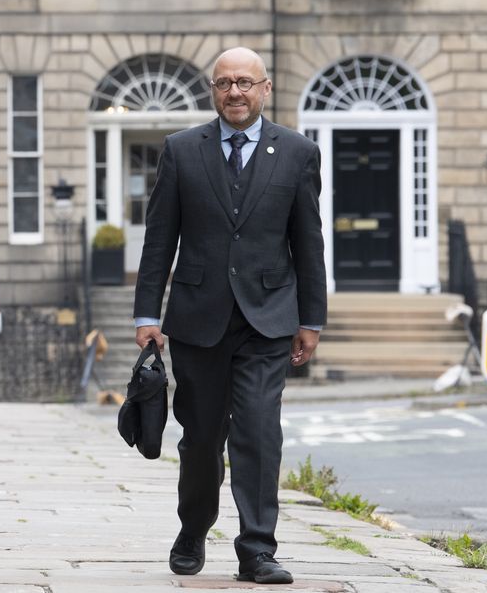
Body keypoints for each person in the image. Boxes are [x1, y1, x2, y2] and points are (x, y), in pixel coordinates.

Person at [132, 47, 326, 584]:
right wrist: (146, 313)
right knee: (200, 438)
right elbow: (159, 239)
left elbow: (309, 241)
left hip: (268, 319)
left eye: (244, 82)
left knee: (259, 432)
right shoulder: (180, 150)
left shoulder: (298, 152)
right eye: (224, 83)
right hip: (198, 319)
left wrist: (311, 319)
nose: (234, 92)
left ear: (265, 89)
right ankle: (193, 528)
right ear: (212, 91)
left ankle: (257, 549)